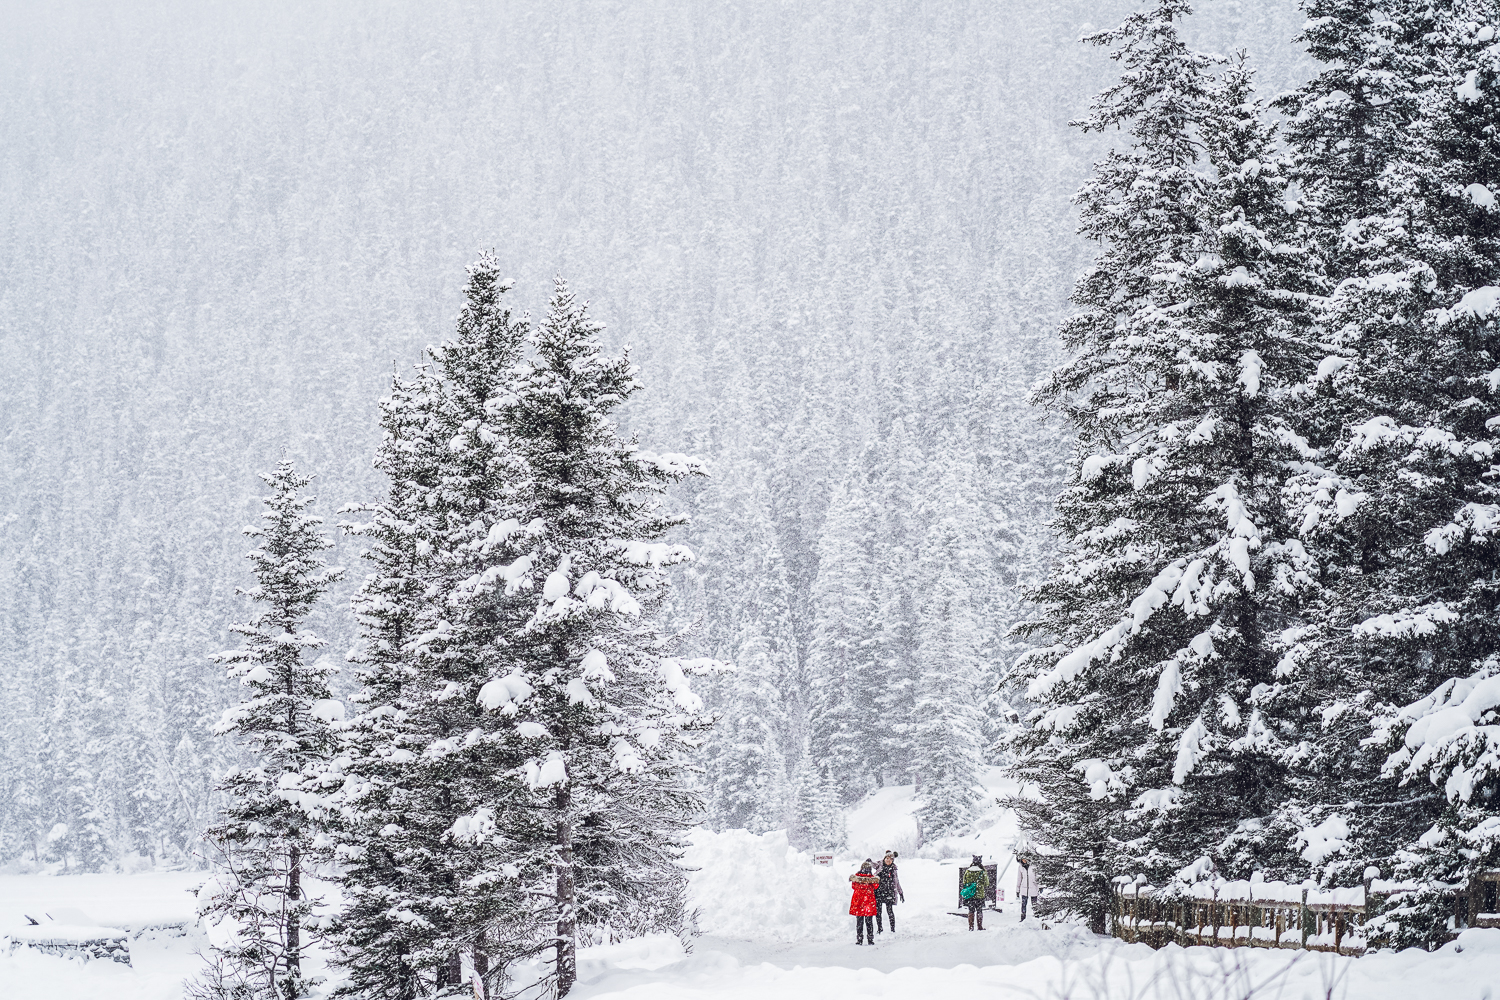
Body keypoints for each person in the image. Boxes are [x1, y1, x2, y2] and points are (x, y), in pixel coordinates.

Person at [849, 859, 880, 945]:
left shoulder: (856, 878)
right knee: (869, 922)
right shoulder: (872, 879)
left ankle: (859, 939)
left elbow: (853, 886)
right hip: (868, 903)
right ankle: (870, 939)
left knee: (859, 922)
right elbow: (876, 886)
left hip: (858, 903)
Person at [874, 851, 905, 934]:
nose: (888, 860)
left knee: (890, 911)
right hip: (879, 892)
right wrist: (869, 862)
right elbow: (873, 865)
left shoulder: (893, 870)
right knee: (878, 912)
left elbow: (897, 882)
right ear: (884, 859)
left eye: (890, 859)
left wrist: (901, 893)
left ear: (892, 860)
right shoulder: (879, 866)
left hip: (889, 893)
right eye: (887, 858)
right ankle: (879, 929)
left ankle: (892, 929)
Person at [959, 854, 989, 931]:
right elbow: (986, 883)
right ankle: (979, 927)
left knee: (971, 911)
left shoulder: (968, 871)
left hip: (970, 895)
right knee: (979, 911)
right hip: (979, 895)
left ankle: (971, 927)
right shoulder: (982, 872)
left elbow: (964, 882)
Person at [1016, 852, 1040, 921]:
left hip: (1033, 888)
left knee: (1035, 904)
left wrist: (1040, 886)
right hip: (1024, 889)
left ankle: (1037, 917)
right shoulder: (1020, 867)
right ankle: (1023, 918)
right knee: (1023, 904)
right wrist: (1017, 890)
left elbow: (1038, 877)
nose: (1023, 861)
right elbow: (1019, 879)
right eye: (1022, 859)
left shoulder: (1034, 866)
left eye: (1024, 859)